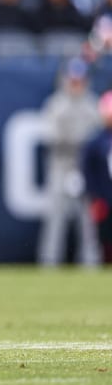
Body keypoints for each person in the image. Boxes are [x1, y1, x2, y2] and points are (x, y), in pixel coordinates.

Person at [39, 58, 102, 267]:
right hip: (61, 165)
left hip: (85, 167)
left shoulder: (92, 105)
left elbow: (98, 138)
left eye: (80, 79)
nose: (76, 83)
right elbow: (51, 137)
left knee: (88, 221)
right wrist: (79, 143)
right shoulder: (56, 104)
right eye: (73, 79)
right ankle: (49, 262)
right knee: (55, 217)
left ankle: (90, 262)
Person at [82, 90, 112, 265]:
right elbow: (88, 171)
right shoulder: (96, 141)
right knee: (104, 237)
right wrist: (95, 196)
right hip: (105, 197)